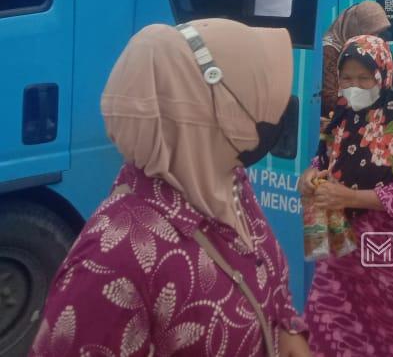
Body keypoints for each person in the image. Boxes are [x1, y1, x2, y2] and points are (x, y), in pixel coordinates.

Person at [30, 20, 309, 357]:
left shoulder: (229, 183)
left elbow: (263, 271)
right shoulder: (111, 261)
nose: (277, 111)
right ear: (212, 113)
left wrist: (286, 327)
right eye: (256, 94)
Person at [301, 35, 393, 357]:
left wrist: (348, 197)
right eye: (347, 78)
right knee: (329, 322)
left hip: (390, 259)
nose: (354, 86)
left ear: (383, 75)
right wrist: (310, 177)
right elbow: (323, 160)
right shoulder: (341, 117)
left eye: (364, 77)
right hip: (341, 251)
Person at [320, 0, 392, 114]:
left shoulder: (363, 48)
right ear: (354, 28)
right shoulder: (329, 51)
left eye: (380, 33)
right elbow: (329, 99)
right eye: (371, 33)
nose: (375, 38)